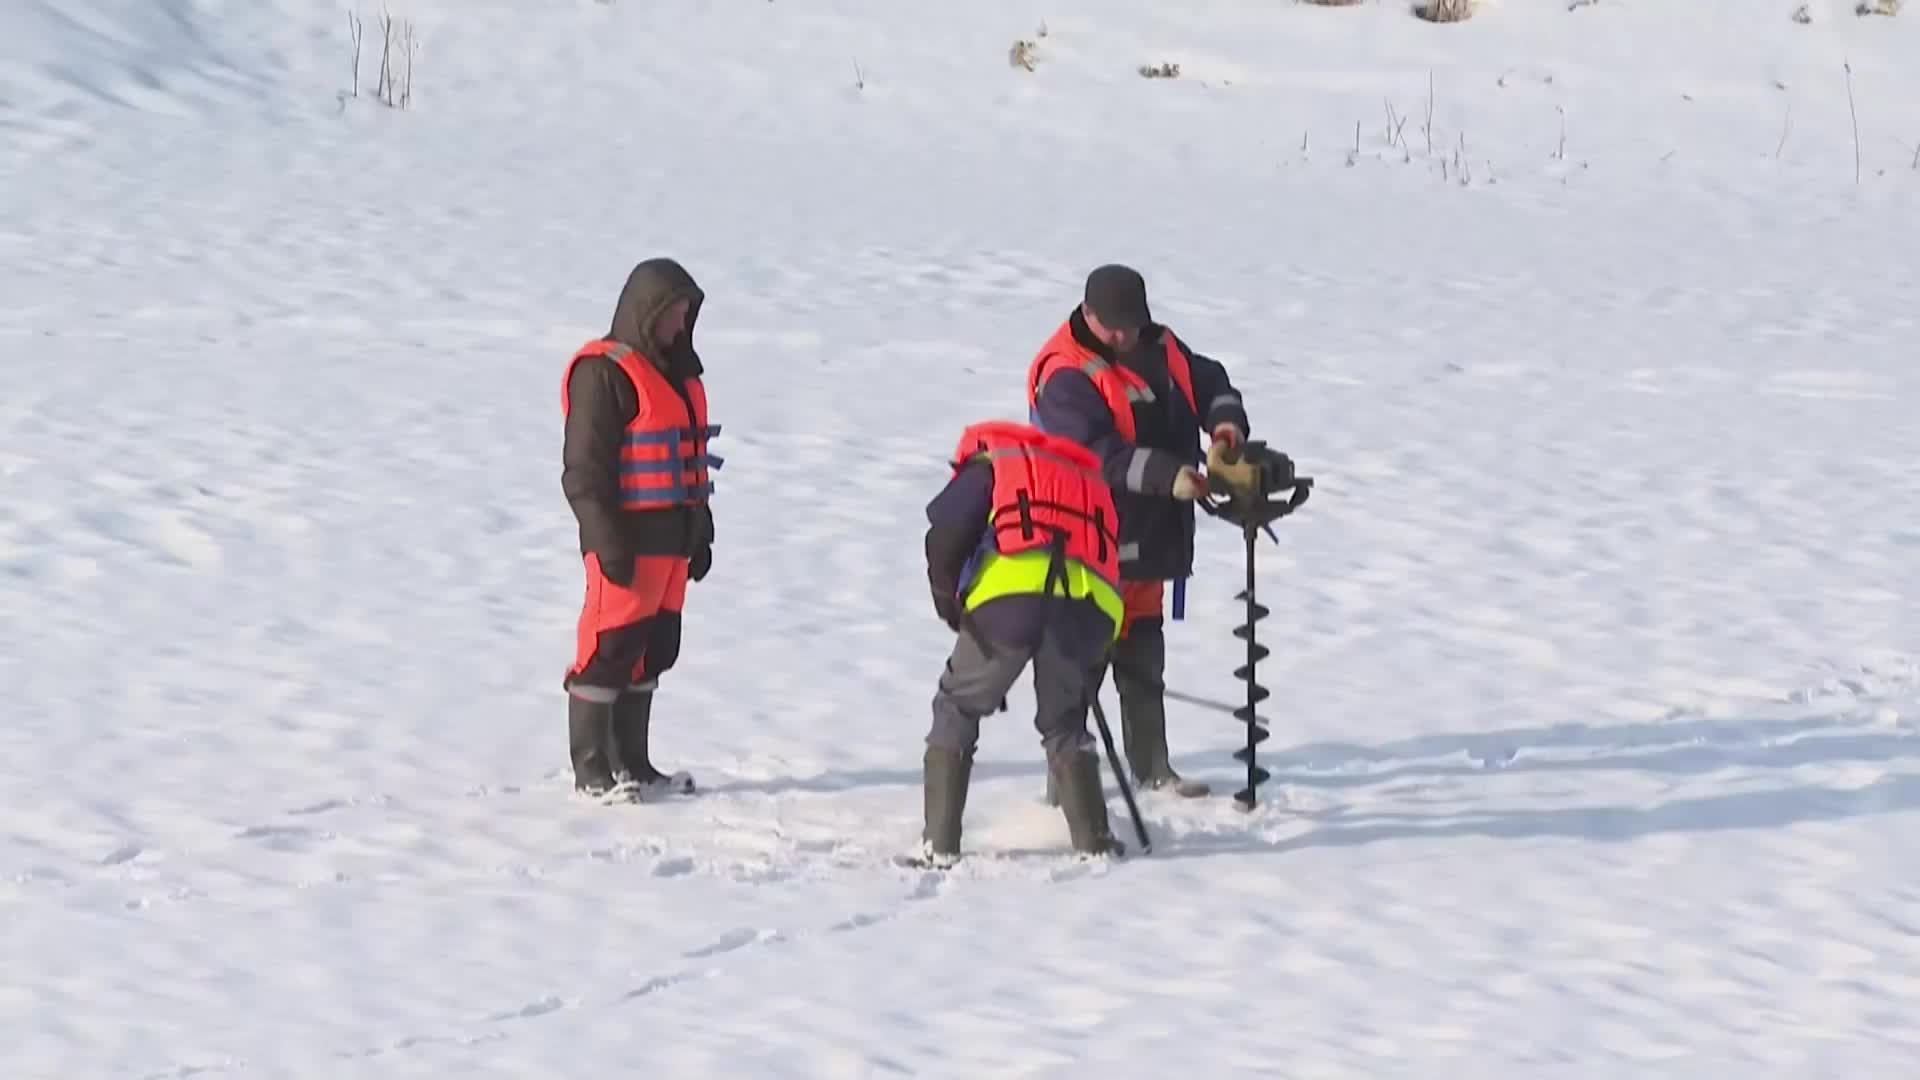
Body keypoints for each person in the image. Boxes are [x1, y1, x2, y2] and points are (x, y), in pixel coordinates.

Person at [1026, 264, 1253, 800]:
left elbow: (1209, 379)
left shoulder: (1161, 345)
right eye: (1114, 328)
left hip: (1151, 535)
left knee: (1143, 652)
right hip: (1088, 539)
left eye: (1132, 324)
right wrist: (1167, 475)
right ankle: (1069, 791)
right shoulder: (1066, 372)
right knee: (1080, 666)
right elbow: (1093, 454)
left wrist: (1225, 428)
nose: (1125, 337)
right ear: (1088, 315)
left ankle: (1153, 768)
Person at [916, 419, 1130, 865]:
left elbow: (947, 531)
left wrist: (947, 599)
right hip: (1093, 609)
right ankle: (1094, 841)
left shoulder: (993, 460)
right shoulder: (1085, 477)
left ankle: (938, 847)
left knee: (957, 703)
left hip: (1013, 600)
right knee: (1065, 720)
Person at [559, 257, 720, 801]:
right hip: (626, 541)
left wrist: (701, 530)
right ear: (645, 313)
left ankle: (633, 763)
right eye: (672, 313)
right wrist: (606, 541)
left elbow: (688, 462)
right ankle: (591, 769)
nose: (680, 323)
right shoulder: (604, 373)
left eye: (685, 313)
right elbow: (584, 473)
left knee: (655, 648)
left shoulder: (678, 377)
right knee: (610, 647)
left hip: (672, 543)